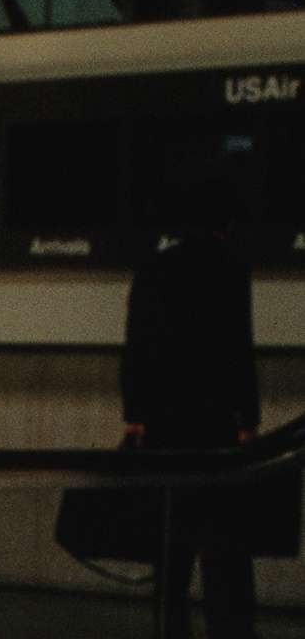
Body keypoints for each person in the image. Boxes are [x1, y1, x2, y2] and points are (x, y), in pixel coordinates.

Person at [122, 179, 260, 639]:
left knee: (172, 537)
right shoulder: (230, 268)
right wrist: (249, 421)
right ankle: (229, 627)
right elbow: (239, 350)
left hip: (163, 420)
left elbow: (136, 346)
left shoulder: (154, 268)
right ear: (224, 224)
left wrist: (135, 413)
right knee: (224, 541)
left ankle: (171, 623)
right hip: (214, 420)